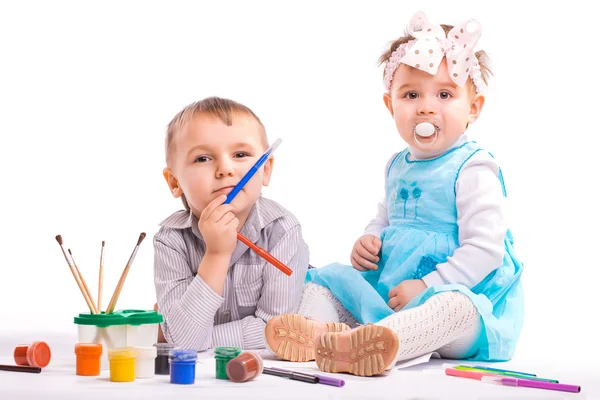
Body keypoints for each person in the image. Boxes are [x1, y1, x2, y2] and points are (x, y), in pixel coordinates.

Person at [265, 11, 524, 377]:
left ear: (474, 109)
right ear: (391, 105)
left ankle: (378, 341)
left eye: (445, 94)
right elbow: (388, 216)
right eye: (411, 94)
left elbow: (485, 251)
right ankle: (320, 333)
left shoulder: (473, 167)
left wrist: (428, 285)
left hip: (464, 294)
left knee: (454, 308)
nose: (426, 106)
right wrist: (370, 239)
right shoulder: (397, 164)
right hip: (392, 291)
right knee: (329, 283)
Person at [154, 96, 309, 350]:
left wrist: (197, 337)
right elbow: (185, 342)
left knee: (320, 307)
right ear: (174, 182)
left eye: (240, 154)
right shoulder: (170, 240)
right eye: (203, 158)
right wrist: (216, 254)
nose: (225, 169)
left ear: (265, 169)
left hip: (306, 301)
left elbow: (276, 330)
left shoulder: (283, 230)